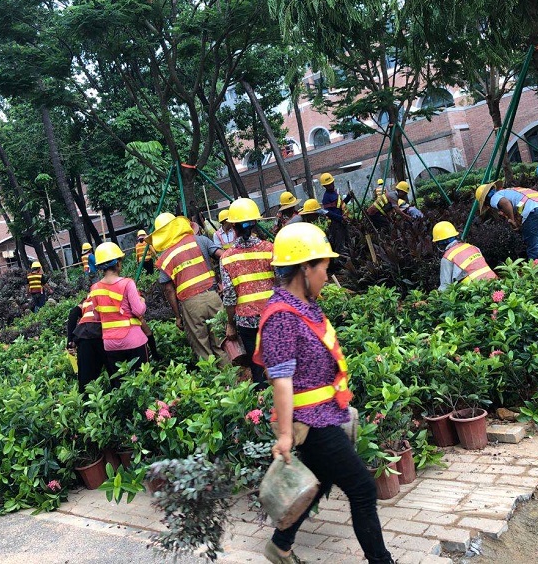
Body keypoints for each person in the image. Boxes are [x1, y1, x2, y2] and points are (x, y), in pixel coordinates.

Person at [254, 223, 394, 564]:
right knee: (362, 489)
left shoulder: (305, 306)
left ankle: (280, 546)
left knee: (321, 480)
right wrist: (284, 435)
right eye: (324, 268)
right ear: (305, 268)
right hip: (311, 423)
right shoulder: (282, 317)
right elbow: (281, 380)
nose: (327, 277)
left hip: (325, 413)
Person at [151, 212, 227, 361]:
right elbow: (224, 256)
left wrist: (178, 316)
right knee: (221, 344)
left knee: (202, 349)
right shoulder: (200, 240)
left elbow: (168, 289)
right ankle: (230, 374)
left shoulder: (165, 258)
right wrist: (224, 282)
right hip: (213, 297)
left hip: (191, 305)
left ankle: (212, 375)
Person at [219, 198, 273, 387]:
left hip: (246, 321)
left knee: (257, 368)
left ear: (233, 227)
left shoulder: (227, 258)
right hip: (273, 316)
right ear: (255, 222)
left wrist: (230, 324)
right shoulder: (270, 249)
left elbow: (230, 296)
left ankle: (263, 401)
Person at [89, 242, 151, 382]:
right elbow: (138, 310)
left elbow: (97, 316)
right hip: (133, 339)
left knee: (120, 383)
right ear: (117, 263)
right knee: (143, 380)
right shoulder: (128, 283)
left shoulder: (94, 289)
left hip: (110, 343)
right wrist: (142, 301)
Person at [476, 180, 538, 260]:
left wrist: (512, 220)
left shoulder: (494, 197)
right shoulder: (509, 191)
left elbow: (505, 203)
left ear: (486, 201)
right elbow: (520, 205)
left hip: (534, 210)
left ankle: (535, 267)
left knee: (534, 247)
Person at [432, 221, 498, 291]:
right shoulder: (473, 247)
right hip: (494, 282)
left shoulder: (447, 258)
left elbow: (445, 287)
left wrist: (435, 296)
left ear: (439, 243)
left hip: (476, 291)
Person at [66, 293, 104, 392]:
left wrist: (70, 341)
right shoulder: (112, 292)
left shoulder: (88, 298)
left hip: (85, 335)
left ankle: (86, 397)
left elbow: (74, 312)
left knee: (85, 378)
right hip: (104, 334)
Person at [320, 173, 354, 257]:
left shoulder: (334, 193)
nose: (331, 185)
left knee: (347, 241)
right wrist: (340, 218)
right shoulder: (326, 197)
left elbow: (341, 205)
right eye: (328, 185)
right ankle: (342, 261)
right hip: (335, 225)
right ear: (324, 186)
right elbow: (328, 212)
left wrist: (349, 197)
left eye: (331, 183)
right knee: (340, 246)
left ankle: (350, 258)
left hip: (341, 222)